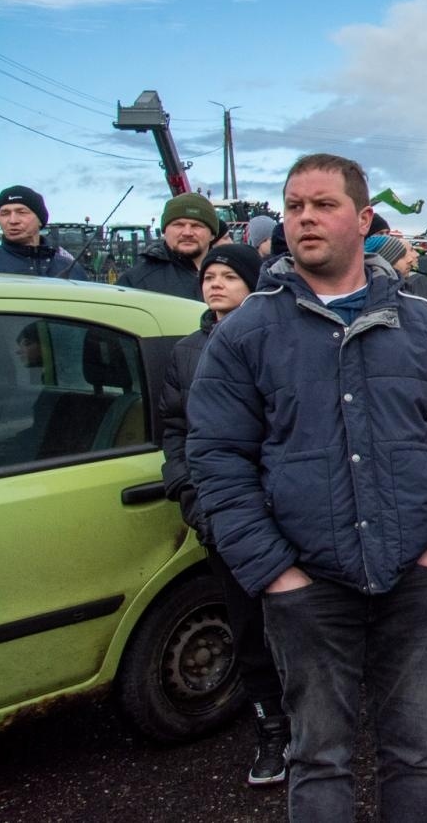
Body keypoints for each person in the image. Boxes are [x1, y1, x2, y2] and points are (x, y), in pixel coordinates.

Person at [186, 153, 427, 820]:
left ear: (363, 217)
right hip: (308, 588)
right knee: (318, 756)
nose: (304, 218)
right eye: (294, 206)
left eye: (323, 204)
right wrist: (273, 571)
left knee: (413, 751)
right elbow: (217, 461)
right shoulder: (247, 334)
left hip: (414, 578)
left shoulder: (419, 324)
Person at [157, 243, 287, 786]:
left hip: (283, 511)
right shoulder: (187, 352)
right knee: (249, 630)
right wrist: (190, 495)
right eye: (209, 275)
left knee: (305, 624)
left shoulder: (278, 340)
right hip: (221, 516)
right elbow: (176, 431)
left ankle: (321, 723)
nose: (215, 284)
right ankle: (272, 731)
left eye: (229, 276)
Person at [121, 192, 219, 299]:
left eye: (197, 226)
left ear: (212, 234)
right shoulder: (136, 282)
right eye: (178, 225)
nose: (187, 232)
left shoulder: (233, 276)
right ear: (164, 231)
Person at [0, 185, 79, 278]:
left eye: (22, 212)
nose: (13, 220)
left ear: (40, 220)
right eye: (5, 213)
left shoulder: (69, 267)